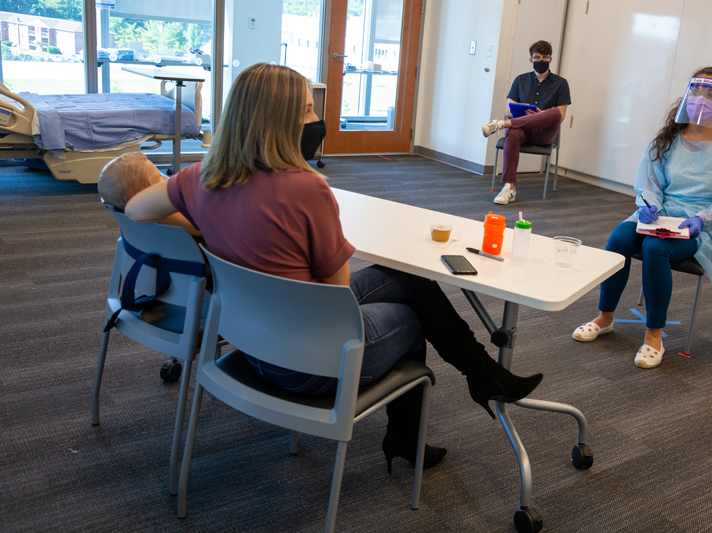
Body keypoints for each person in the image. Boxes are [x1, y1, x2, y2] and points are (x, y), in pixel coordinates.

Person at [125, 64, 543, 473]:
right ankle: (410, 436)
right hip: (305, 362)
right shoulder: (307, 189)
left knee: (412, 280)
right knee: (412, 318)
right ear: (278, 122)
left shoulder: (201, 178)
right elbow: (337, 295)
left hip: (248, 338)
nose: (316, 119)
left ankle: (483, 374)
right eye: (307, 109)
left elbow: (135, 208)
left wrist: (205, 222)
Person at [572, 67, 712, 369]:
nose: (702, 99)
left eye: (711, 94)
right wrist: (649, 204)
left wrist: (702, 219)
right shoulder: (671, 135)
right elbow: (650, 183)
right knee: (618, 238)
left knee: (656, 248)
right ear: (688, 94)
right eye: (696, 92)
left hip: (703, 226)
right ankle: (605, 317)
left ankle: (654, 335)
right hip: (661, 216)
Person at [481, 40, 571, 205]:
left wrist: (540, 114)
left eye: (544, 57)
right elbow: (508, 111)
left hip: (543, 134)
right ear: (531, 60)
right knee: (514, 132)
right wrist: (523, 112)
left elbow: (561, 116)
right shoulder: (520, 80)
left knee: (554, 112)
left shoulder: (561, 83)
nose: (540, 60)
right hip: (521, 132)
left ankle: (501, 125)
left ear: (551, 59)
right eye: (536, 57)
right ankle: (509, 188)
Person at [97, 152, 200, 237]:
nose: (166, 178)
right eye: (159, 176)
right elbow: (208, 230)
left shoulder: (139, 216)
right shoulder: (172, 216)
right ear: (145, 196)